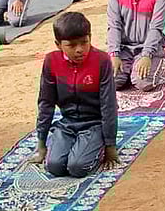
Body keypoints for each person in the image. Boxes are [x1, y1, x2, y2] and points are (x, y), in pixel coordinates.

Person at [31, 12, 119, 178]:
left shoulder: (102, 60)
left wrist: (110, 146)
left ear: (90, 37)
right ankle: (59, 138)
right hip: (68, 123)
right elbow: (46, 102)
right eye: (71, 45)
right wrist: (41, 143)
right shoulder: (51, 61)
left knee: (78, 167)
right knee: (54, 166)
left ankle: (97, 144)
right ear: (59, 45)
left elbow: (109, 105)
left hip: (94, 123)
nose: (80, 50)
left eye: (84, 43)